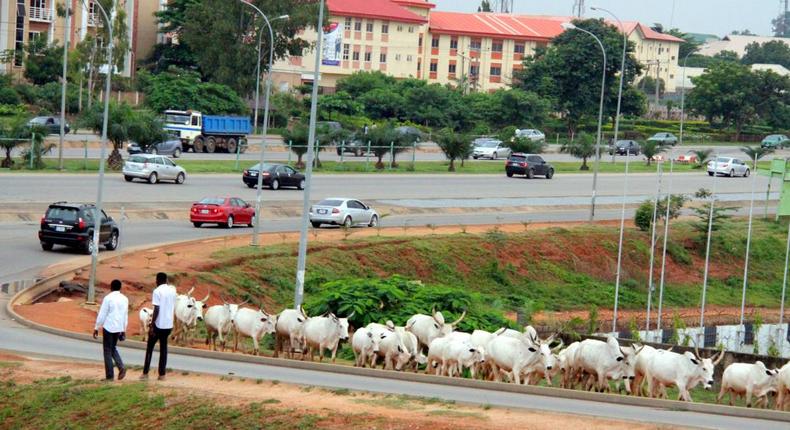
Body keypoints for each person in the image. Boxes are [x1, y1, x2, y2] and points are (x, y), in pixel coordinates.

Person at [141, 272, 177, 381]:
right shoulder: (172, 290)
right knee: (163, 349)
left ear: (157, 281)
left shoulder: (157, 291)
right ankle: (162, 375)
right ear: (166, 280)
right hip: (168, 325)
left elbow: (156, 309)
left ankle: (145, 374)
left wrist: (152, 325)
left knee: (150, 348)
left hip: (158, 325)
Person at [93, 279, 128, 381]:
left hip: (108, 327)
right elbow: (125, 315)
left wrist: (96, 327)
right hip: (118, 328)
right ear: (120, 288)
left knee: (107, 351)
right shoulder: (124, 299)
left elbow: (102, 314)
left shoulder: (108, 298)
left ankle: (110, 376)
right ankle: (121, 367)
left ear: (111, 287)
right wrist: (124, 330)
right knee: (113, 348)